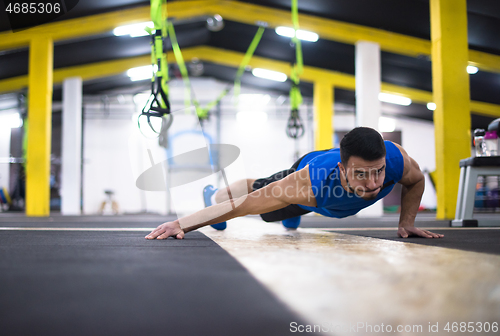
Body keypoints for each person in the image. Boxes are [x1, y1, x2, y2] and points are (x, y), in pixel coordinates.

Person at [146, 127, 444, 240]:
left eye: (377, 171)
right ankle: (212, 193)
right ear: (343, 168)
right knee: (259, 194)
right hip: (303, 179)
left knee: (291, 213)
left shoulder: (396, 160)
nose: (374, 183)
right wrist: (183, 224)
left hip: (320, 201)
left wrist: (406, 221)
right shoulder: (306, 184)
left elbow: (416, 182)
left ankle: (294, 216)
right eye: (361, 174)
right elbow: (244, 206)